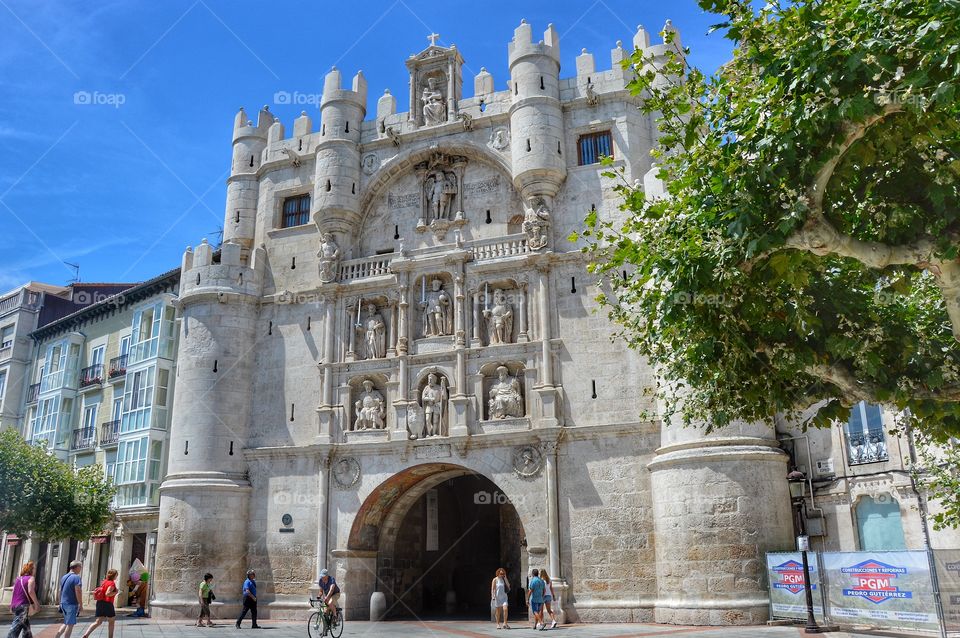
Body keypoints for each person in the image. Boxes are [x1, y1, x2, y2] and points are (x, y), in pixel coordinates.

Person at [80, 569, 118, 638]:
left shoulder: (104, 582)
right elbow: (107, 593)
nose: (117, 576)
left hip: (100, 603)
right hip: (108, 604)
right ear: (114, 575)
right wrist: (116, 592)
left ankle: (86, 635)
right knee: (111, 621)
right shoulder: (111, 583)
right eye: (116, 575)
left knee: (98, 621)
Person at [6, 560, 39, 638]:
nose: (35, 570)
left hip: (15, 604)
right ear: (31, 569)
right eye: (34, 568)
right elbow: (30, 591)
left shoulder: (18, 579)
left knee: (26, 627)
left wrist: (11, 605)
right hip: (23, 605)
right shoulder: (31, 578)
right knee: (15, 627)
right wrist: (36, 603)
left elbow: (14, 592)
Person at [54, 560, 83, 638]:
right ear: (77, 567)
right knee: (70, 624)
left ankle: (57, 636)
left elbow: (60, 590)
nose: (80, 569)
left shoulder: (64, 577)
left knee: (66, 622)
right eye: (80, 567)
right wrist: (80, 604)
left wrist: (60, 602)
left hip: (63, 603)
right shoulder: (76, 577)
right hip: (71, 603)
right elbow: (78, 591)